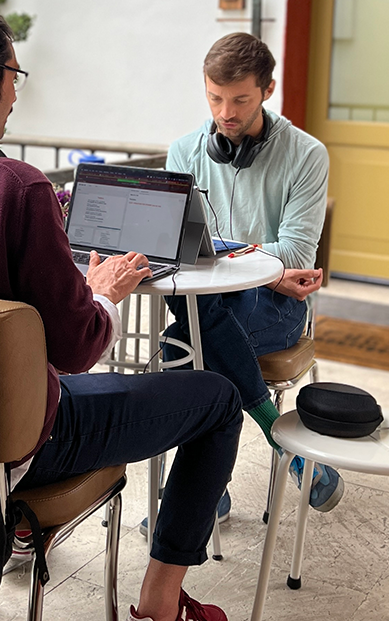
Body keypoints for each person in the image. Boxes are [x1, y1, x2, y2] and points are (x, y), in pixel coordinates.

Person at [0, 7, 242, 621]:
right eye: (14, 77)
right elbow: (79, 346)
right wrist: (104, 289)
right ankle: (162, 603)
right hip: (20, 443)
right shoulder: (16, 188)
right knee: (216, 398)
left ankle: (24, 532)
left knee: (59, 380)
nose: (14, 98)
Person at [160, 33, 344, 521]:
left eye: (240, 99)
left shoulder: (307, 155)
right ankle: (276, 434)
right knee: (194, 328)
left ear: (267, 90)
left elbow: (298, 254)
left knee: (181, 344)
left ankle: (204, 495)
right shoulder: (183, 152)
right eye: (215, 98)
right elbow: (177, 249)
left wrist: (236, 263)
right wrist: (266, 269)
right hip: (224, 300)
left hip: (278, 309)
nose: (226, 112)